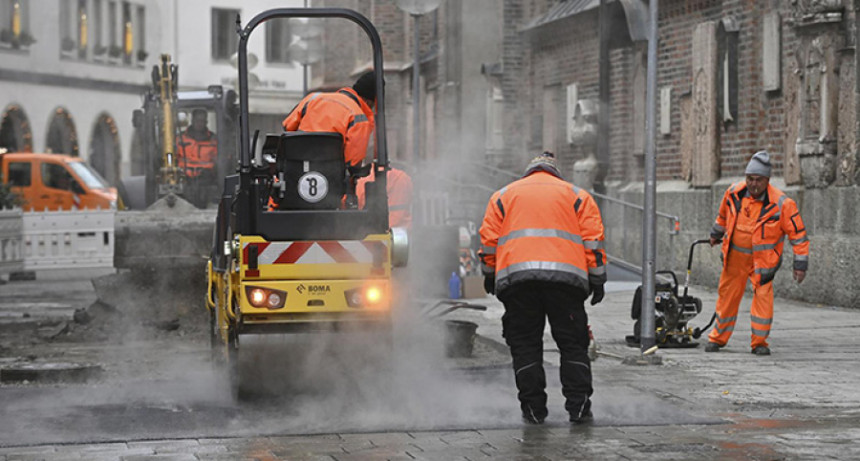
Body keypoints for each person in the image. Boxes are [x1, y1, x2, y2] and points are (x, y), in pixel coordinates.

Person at [478, 152, 607, 425]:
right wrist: (597, 279)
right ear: (555, 172)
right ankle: (579, 409)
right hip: (566, 284)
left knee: (525, 345)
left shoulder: (502, 196)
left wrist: (489, 273)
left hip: (518, 283)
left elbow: (489, 242)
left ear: (529, 171)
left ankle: (534, 411)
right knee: (573, 345)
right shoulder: (578, 196)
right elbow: (593, 242)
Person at [706, 151, 809, 356]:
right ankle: (717, 338)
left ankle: (759, 343)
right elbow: (723, 217)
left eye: (758, 180)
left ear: (767, 180)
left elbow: (798, 236)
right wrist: (715, 235)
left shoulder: (782, 204)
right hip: (735, 258)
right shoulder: (733, 193)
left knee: (763, 299)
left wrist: (800, 264)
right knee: (727, 297)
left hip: (763, 263)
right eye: (750, 179)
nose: (753, 184)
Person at [282, 71, 376, 169]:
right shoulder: (359, 118)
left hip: (297, 169)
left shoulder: (313, 98)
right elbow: (353, 163)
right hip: (331, 177)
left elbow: (288, 126)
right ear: (369, 102)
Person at [177, 108, 218, 179]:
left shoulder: (214, 140)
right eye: (197, 120)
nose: (199, 123)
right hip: (183, 178)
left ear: (206, 122)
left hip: (207, 179)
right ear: (192, 121)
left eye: (202, 121)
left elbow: (219, 160)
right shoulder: (180, 138)